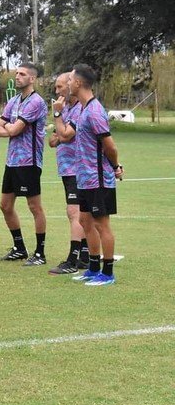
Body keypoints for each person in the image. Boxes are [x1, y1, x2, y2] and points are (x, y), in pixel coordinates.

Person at [59, 64, 123, 286]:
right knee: (85, 221)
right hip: (83, 178)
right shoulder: (83, 109)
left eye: (69, 80)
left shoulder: (95, 111)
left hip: (98, 178)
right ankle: (93, 268)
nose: (67, 84)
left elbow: (110, 146)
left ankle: (108, 273)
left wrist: (115, 167)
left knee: (101, 224)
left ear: (78, 83)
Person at [0, 63, 48, 266]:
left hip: (29, 161)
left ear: (32, 79)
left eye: (22, 74)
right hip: (12, 161)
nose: (17, 76)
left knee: (34, 206)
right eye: (17, 73)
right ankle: (19, 248)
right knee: (5, 205)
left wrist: (9, 127)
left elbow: (14, 130)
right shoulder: (14, 101)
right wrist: (10, 127)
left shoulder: (36, 102)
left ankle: (40, 253)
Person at [47, 73, 89, 274]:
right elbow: (53, 140)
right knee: (79, 214)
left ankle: (72, 260)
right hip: (67, 168)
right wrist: (60, 127)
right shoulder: (69, 110)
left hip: (76, 168)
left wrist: (57, 115)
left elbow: (64, 134)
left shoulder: (79, 108)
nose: (57, 92)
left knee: (75, 213)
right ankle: (86, 256)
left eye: (60, 87)